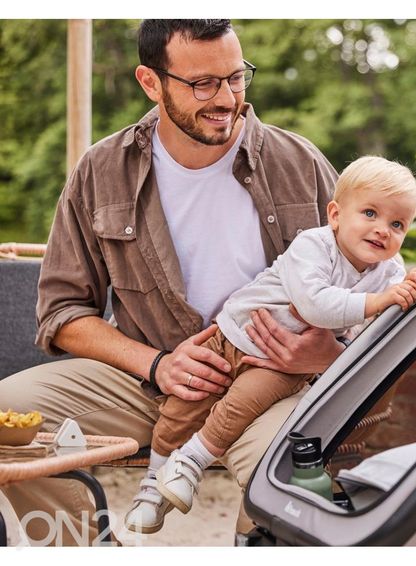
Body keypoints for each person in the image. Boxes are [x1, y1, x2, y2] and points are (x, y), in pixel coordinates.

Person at [0, 19, 345, 545]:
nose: (226, 99)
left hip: (270, 386)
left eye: (235, 77)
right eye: (202, 83)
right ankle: (85, 547)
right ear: (151, 82)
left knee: (289, 482)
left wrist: (327, 351)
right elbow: (62, 313)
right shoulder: (101, 170)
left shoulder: (301, 163)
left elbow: (376, 292)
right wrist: (158, 365)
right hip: (145, 381)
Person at [125, 156, 416, 533]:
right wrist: (379, 300)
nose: (382, 230)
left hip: (283, 363)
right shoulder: (314, 246)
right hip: (234, 335)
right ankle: (153, 486)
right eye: (369, 213)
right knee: (182, 407)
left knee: (241, 404)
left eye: (397, 224)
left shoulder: (389, 272)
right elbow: (315, 304)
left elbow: (383, 324)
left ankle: (190, 463)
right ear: (336, 215)